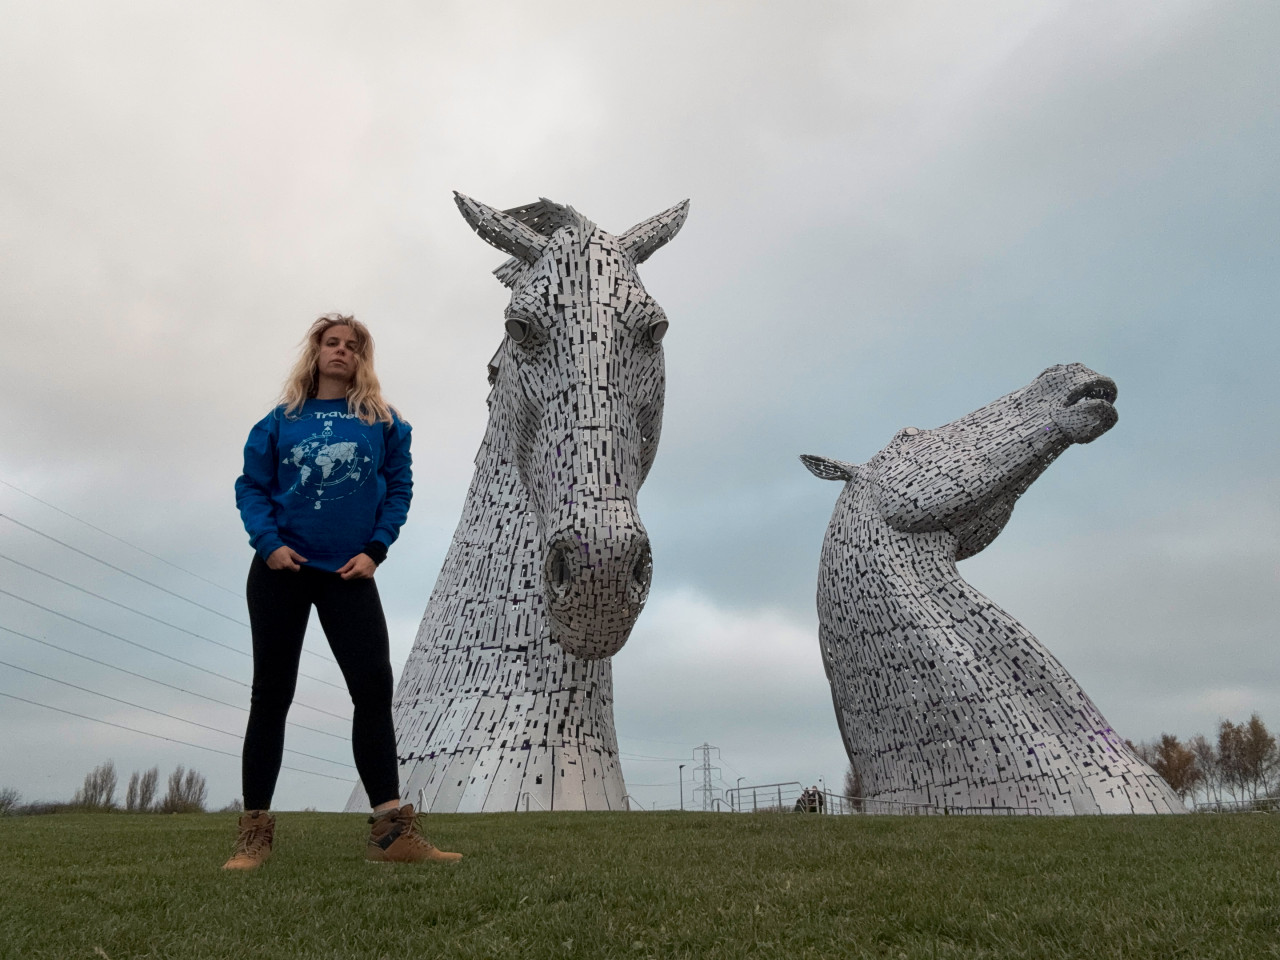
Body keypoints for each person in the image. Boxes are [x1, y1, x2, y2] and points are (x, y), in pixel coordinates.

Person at [223, 314, 460, 870]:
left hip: (349, 574)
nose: (342, 352)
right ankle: (253, 834)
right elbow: (250, 486)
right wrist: (267, 542)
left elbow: (399, 489)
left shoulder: (384, 423)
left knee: (373, 691)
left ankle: (392, 835)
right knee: (271, 695)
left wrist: (376, 550)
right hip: (281, 569)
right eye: (332, 343)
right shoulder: (279, 422)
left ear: (362, 359)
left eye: (353, 346)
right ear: (316, 352)